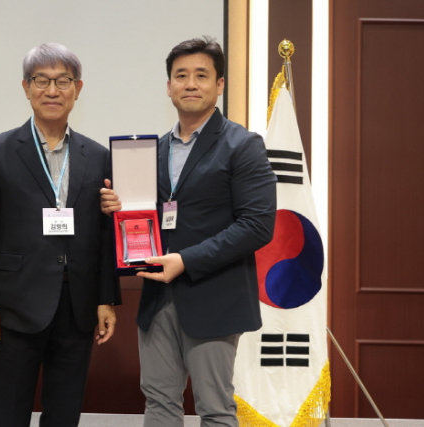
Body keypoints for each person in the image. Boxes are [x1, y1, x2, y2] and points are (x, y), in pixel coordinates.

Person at [101, 36, 276, 427]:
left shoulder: (242, 145)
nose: (190, 84)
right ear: (169, 86)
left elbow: (257, 226)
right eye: (181, 76)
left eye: (201, 75)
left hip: (214, 297)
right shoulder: (152, 150)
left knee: (215, 408)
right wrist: (116, 208)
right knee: (159, 403)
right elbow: (143, 216)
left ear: (220, 84)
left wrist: (186, 260)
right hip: (157, 298)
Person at [0, 42, 120, 427]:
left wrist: (105, 298)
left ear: (78, 89)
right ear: (26, 87)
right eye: (42, 80)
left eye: (63, 81)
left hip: (77, 306)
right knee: (9, 415)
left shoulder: (97, 155)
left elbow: (103, 235)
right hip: (14, 305)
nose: (52, 90)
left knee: (64, 415)